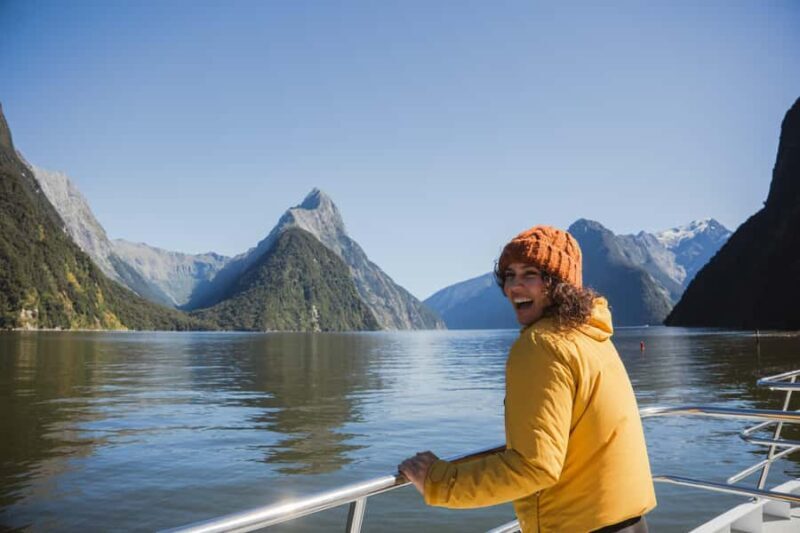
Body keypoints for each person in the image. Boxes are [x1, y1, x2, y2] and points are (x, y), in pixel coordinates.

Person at [399, 226, 656, 532]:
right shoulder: (591, 337)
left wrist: (438, 482)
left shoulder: (541, 345)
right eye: (509, 275)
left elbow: (534, 466)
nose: (514, 287)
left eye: (530, 274)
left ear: (559, 284)